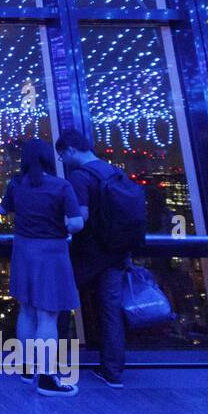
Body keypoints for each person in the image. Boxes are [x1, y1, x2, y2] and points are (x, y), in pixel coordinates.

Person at [0, 138, 84, 397]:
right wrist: (63, 227)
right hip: (51, 252)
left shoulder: (16, 184)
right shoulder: (61, 186)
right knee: (48, 314)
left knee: (26, 310)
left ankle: (27, 369)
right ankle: (47, 377)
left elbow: (3, 210)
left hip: (23, 250)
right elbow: (77, 223)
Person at [55, 129, 130, 388]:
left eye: (62, 154)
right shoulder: (114, 171)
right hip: (117, 252)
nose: (62, 160)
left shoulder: (80, 177)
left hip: (88, 254)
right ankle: (113, 372)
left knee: (61, 302)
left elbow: (81, 217)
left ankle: (56, 364)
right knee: (111, 311)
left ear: (71, 150)